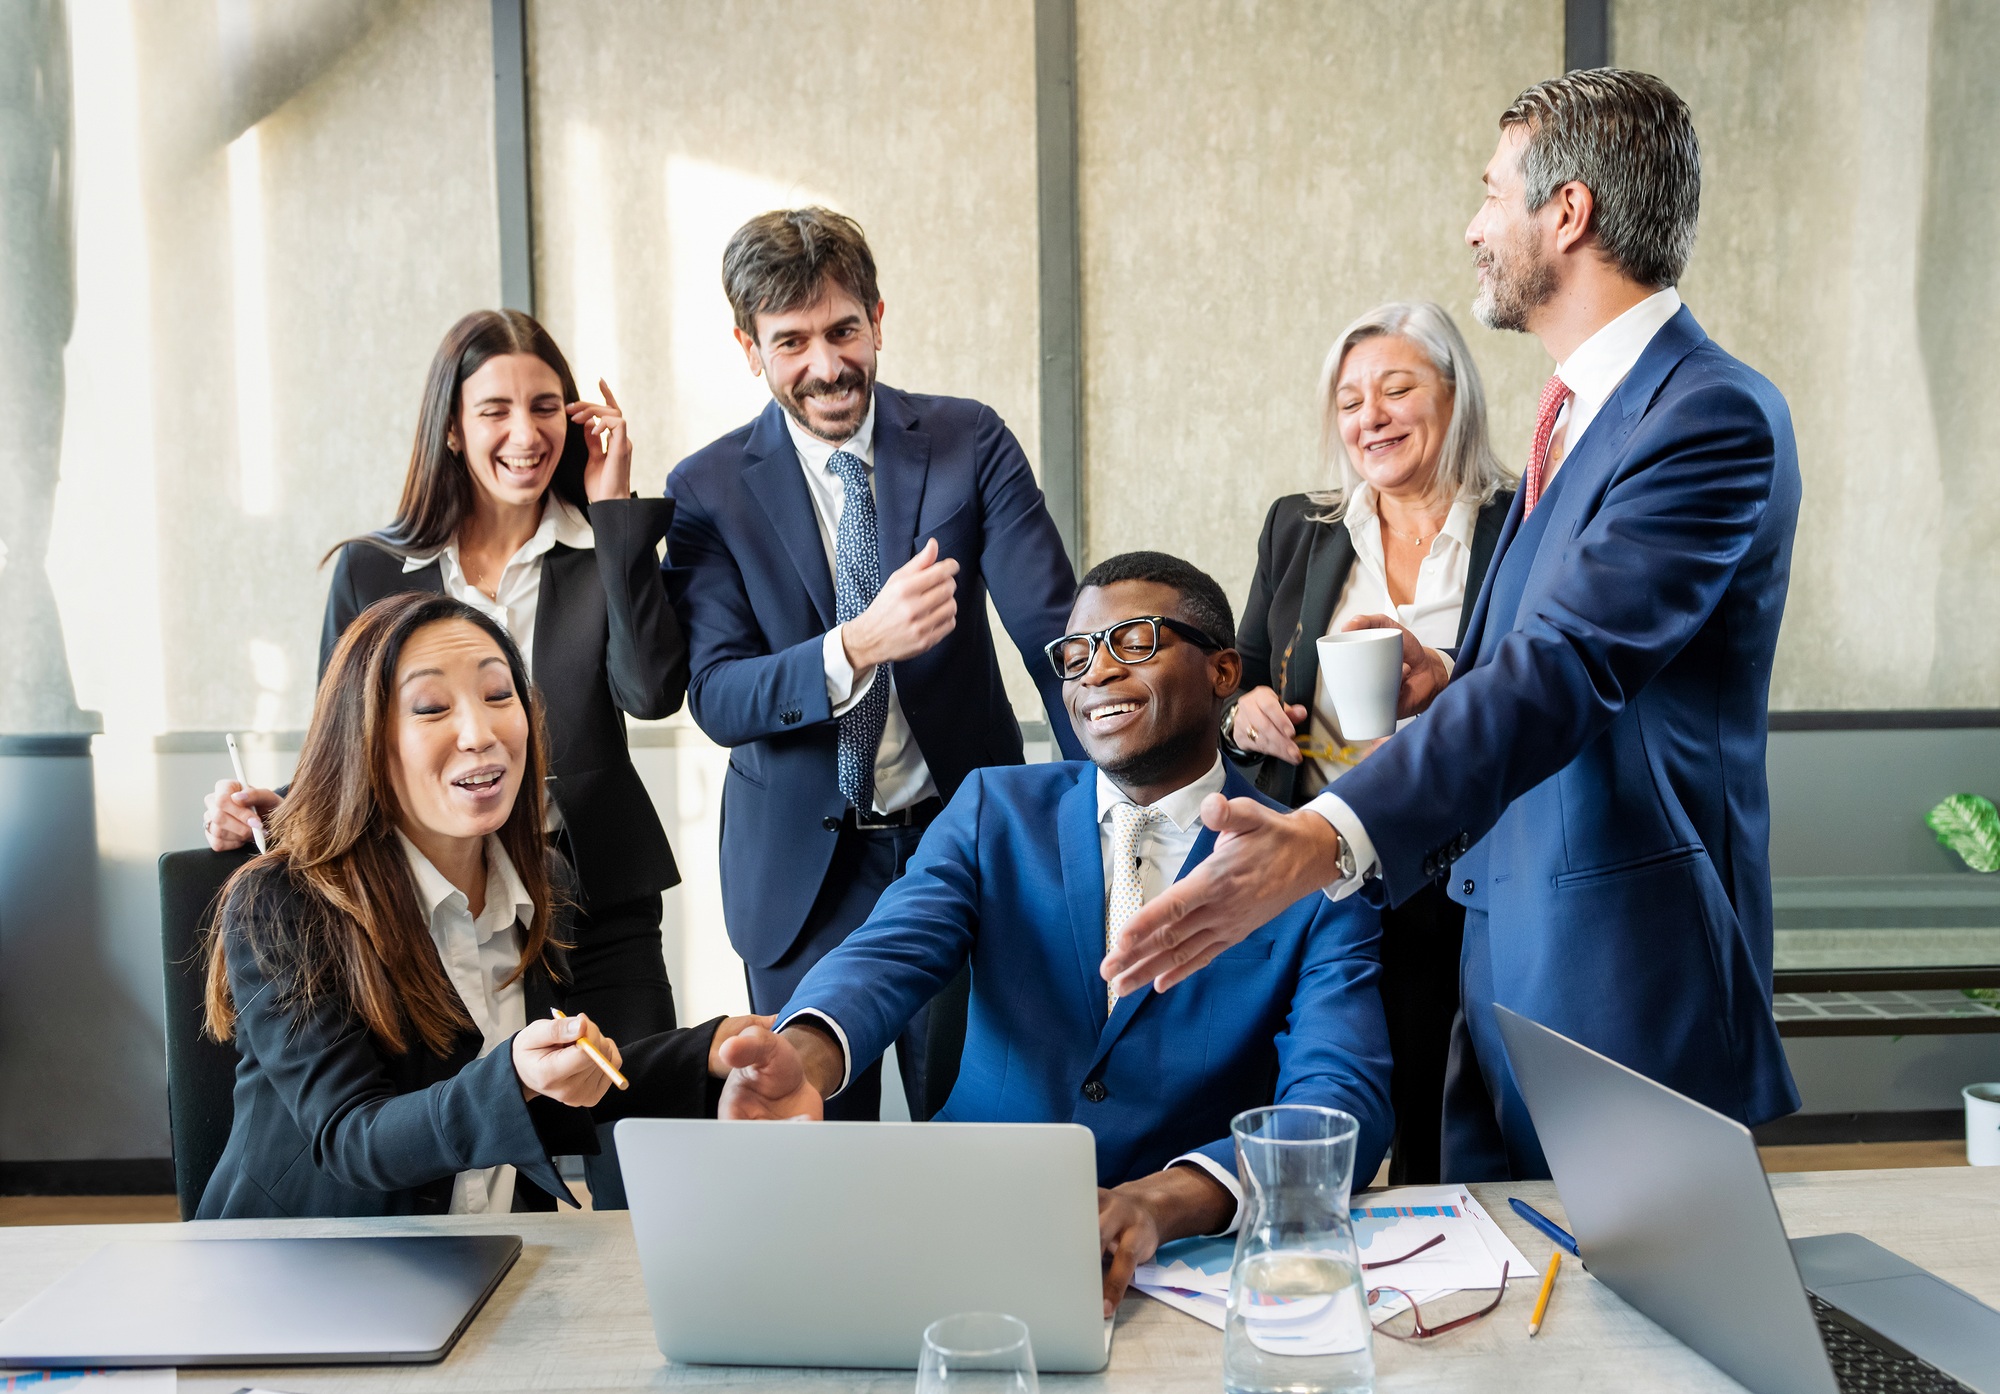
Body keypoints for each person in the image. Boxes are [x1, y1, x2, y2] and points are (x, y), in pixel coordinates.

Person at [1103, 68, 1803, 1182]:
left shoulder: (1706, 414)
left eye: (1490, 193)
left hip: (1625, 978)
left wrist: (1324, 836)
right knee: (1503, 1281)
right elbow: (1530, 660)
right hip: (1507, 959)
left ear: (1566, 212)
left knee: (1630, 1299)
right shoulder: (1573, 415)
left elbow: (1569, 666)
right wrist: (1451, 676)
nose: (1474, 227)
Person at [714, 553, 1393, 1315]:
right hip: (964, 1228)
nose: (1095, 672)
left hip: (1187, 1266)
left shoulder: (1312, 866)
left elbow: (1342, 1103)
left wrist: (1167, 1200)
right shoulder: (993, 810)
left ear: (1223, 671)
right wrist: (805, 1056)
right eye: (1075, 655)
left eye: (1134, 642)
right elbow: (890, 951)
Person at [201, 309, 687, 1208]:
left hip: (585, 883)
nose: (525, 433)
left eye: (546, 406)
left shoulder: (598, 546)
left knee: (630, 1130)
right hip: (435, 883)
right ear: (452, 429)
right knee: (470, 1108)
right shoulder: (372, 569)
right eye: (494, 409)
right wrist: (275, 806)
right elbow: (346, 741)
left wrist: (617, 511)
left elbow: (651, 690)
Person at [665, 208, 1085, 1122]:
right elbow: (719, 695)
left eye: (844, 330)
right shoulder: (706, 489)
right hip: (800, 878)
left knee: (968, 1128)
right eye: (792, 342)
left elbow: (1057, 638)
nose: (826, 366)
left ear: (879, 320)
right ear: (749, 349)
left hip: (961, 843)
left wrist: (1112, 809)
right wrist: (857, 645)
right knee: (810, 1139)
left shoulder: (970, 441)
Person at [198, 594, 774, 1218]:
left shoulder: (545, 879)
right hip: (313, 1257)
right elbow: (352, 1137)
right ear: (365, 740)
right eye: (431, 708)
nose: (481, 734)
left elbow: (558, 1081)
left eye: (500, 696)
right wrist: (515, 1078)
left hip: (494, 1245)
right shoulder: (285, 902)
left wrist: (711, 1052)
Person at [1228, 301, 1513, 1185]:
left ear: (1455, 396)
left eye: (1396, 390)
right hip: (1324, 867)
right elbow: (1239, 672)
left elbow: (1545, 680)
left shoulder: (1519, 524)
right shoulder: (1299, 526)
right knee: (1316, 1102)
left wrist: (1448, 677)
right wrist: (1245, 712)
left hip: (1467, 870)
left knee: (1444, 1117)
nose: (1371, 418)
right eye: (1350, 401)